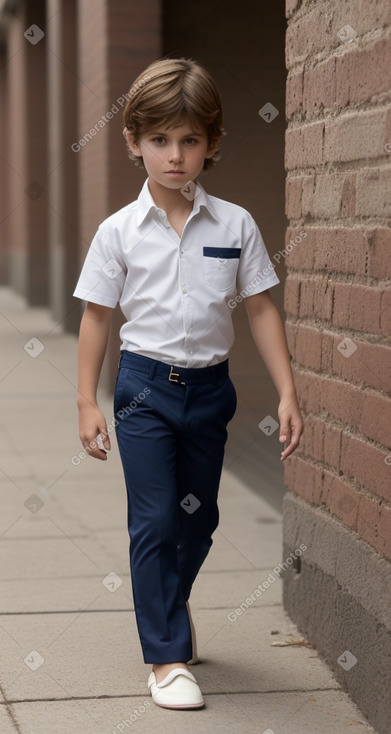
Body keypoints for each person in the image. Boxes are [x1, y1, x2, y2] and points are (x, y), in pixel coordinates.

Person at [73, 57, 304, 711]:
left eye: (189, 141)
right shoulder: (117, 232)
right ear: (132, 142)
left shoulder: (233, 225)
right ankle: (166, 656)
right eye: (159, 141)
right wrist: (84, 400)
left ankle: (171, 607)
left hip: (209, 391)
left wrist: (287, 391)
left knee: (197, 522)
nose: (174, 156)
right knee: (151, 519)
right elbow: (96, 316)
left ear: (212, 143)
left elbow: (259, 306)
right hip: (142, 388)